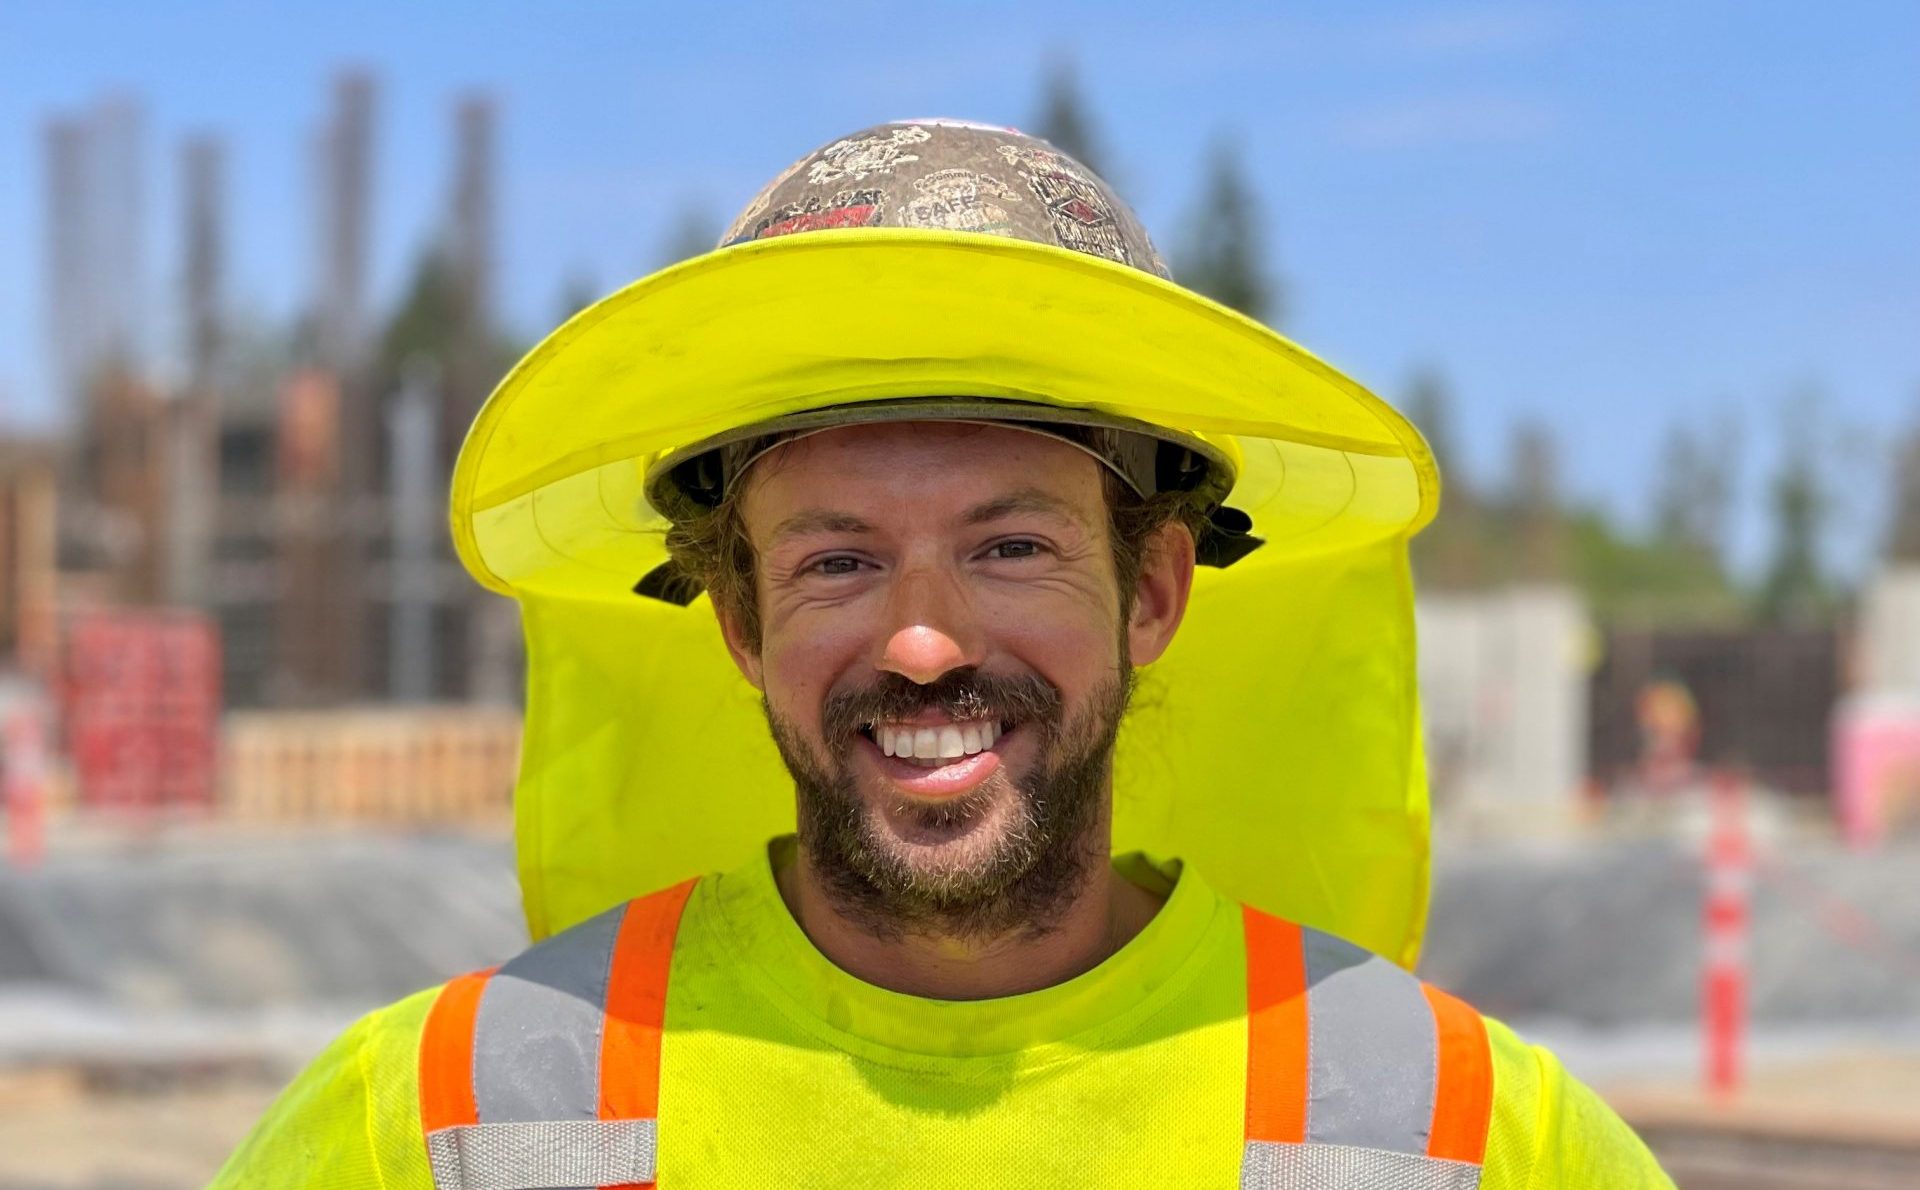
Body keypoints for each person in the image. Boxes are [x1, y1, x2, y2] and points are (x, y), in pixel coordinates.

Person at [213, 120, 1672, 1189]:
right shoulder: (446, 1116)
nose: (923, 643)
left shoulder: (1458, 1131)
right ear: (741, 623)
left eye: (1010, 547)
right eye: (837, 561)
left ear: (1152, 589)